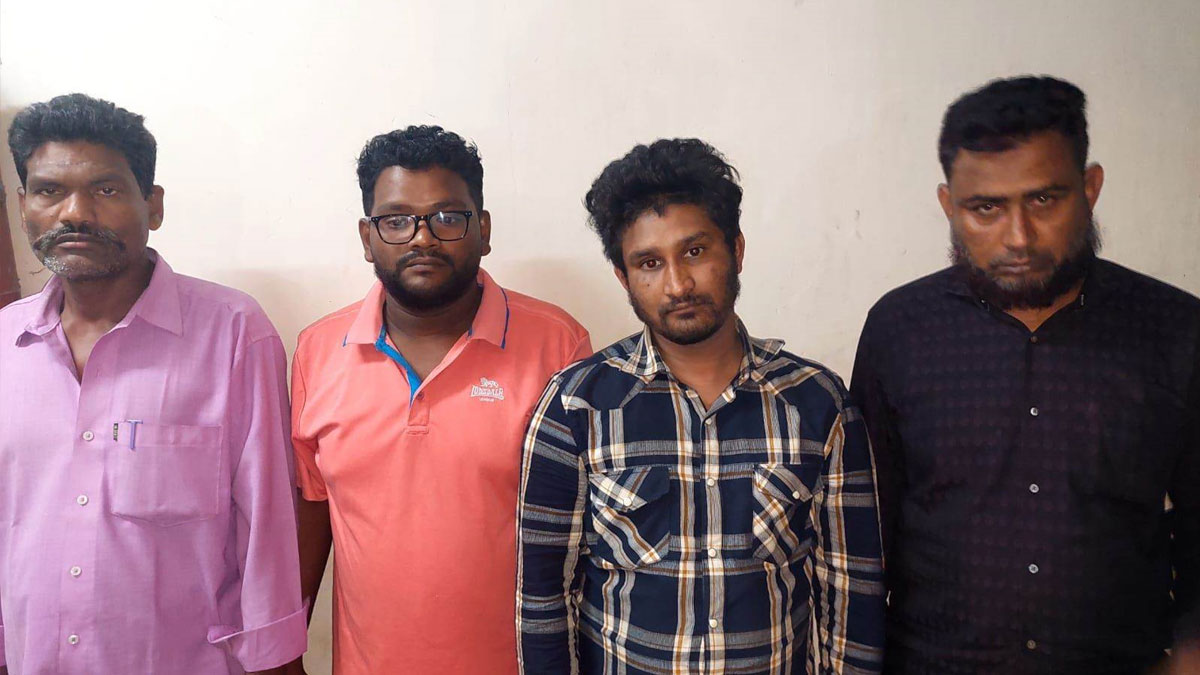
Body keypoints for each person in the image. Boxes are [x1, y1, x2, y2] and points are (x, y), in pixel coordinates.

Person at [850, 75, 1200, 674]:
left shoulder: (1174, 329)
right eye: (986, 208)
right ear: (949, 206)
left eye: (1044, 200)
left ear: (1090, 188)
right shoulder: (900, 329)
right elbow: (862, 530)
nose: (1018, 237)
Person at [517, 138, 885, 674]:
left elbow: (851, 591)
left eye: (694, 252)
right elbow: (544, 599)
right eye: (649, 263)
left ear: (736, 249)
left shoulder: (817, 404)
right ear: (623, 277)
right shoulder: (576, 406)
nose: (678, 284)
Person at [0, 94, 305, 674]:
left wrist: (274, 660)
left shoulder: (234, 333)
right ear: (22, 206)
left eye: (105, 189)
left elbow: (266, 523)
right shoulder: (4, 346)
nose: (74, 213)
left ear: (153, 204)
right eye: (49, 190)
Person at [288, 126, 591, 674]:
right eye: (396, 220)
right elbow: (314, 509)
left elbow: (588, 529)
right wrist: (286, 648)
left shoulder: (558, 344)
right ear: (367, 237)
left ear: (484, 229)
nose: (422, 239)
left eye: (448, 217)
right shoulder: (318, 350)